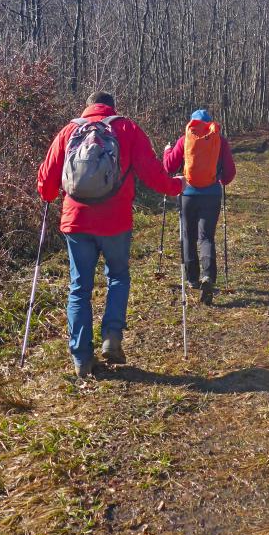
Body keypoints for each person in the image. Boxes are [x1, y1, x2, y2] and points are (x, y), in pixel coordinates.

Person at [37, 91, 182, 377]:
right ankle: (112, 337)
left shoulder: (70, 130)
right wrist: (176, 187)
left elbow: (47, 181)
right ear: (112, 107)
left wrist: (50, 194)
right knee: (117, 276)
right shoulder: (126, 128)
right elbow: (152, 172)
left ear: (88, 107)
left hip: (76, 221)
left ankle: (81, 357)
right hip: (116, 221)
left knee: (79, 288)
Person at [163, 109, 236, 305]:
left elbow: (169, 167)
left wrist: (167, 151)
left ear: (191, 123)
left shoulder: (184, 140)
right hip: (211, 195)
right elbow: (229, 175)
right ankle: (208, 277)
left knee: (188, 235)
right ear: (210, 123)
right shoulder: (219, 141)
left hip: (187, 194)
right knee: (206, 237)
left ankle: (192, 278)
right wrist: (219, 178)